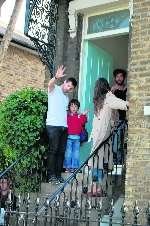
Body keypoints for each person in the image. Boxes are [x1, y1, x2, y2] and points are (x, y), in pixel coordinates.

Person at [88, 78, 128, 196]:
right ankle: (97, 188)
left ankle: (94, 187)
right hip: (103, 136)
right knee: (99, 163)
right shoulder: (108, 97)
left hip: (97, 135)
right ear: (106, 86)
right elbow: (120, 104)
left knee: (96, 162)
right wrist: (130, 104)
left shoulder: (98, 101)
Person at [46, 65, 77, 184]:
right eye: (68, 85)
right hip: (53, 126)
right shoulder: (54, 89)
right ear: (64, 82)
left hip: (64, 127)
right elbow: (50, 84)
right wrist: (55, 77)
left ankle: (58, 175)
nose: (68, 88)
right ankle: (51, 176)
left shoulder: (66, 98)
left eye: (71, 88)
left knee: (61, 152)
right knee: (53, 151)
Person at [64, 99, 88, 172]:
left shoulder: (79, 116)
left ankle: (74, 167)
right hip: (69, 137)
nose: (74, 108)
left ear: (78, 108)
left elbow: (84, 122)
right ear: (69, 107)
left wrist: (84, 114)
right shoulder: (67, 116)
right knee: (68, 153)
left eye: (75, 106)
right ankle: (67, 167)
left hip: (77, 138)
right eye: (72, 106)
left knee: (76, 153)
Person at [111, 69, 127, 164]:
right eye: (117, 76)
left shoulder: (127, 89)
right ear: (115, 78)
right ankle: (115, 161)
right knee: (115, 142)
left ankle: (120, 161)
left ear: (124, 78)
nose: (119, 78)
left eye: (121, 76)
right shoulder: (112, 90)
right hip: (116, 119)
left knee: (122, 141)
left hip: (125, 119)